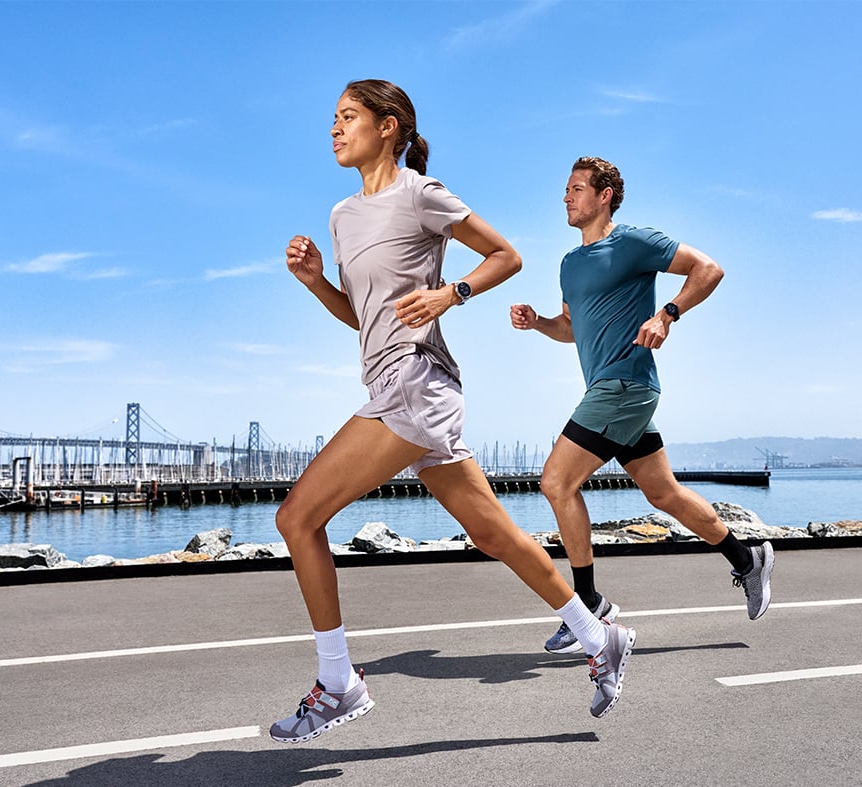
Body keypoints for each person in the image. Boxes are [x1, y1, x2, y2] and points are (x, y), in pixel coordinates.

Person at [271, 84, 636, 743]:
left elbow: (507, 255)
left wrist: (450, 295)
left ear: (388, 128)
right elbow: (364, 318)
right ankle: (598, 634)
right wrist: (317, 281)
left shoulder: (420, 193)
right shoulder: (342, 216)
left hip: (416, 384)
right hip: (390, 381)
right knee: (493, 535)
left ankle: (338, 683)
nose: (334, 129)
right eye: (331, 119)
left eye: (346, 118)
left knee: (297, 517)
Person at [510, 156, 775, 655]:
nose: (565, 197)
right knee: (665, 495)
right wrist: (539, 321)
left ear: (604, 195)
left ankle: (587, 606)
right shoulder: (570, 263)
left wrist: (667, 314)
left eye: (576, 188)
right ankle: (747, 559)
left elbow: (708, 269)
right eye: (565, 189)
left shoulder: (632, 242)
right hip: (612, 391)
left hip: (624, 384)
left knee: (555, 482)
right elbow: (572, 329)